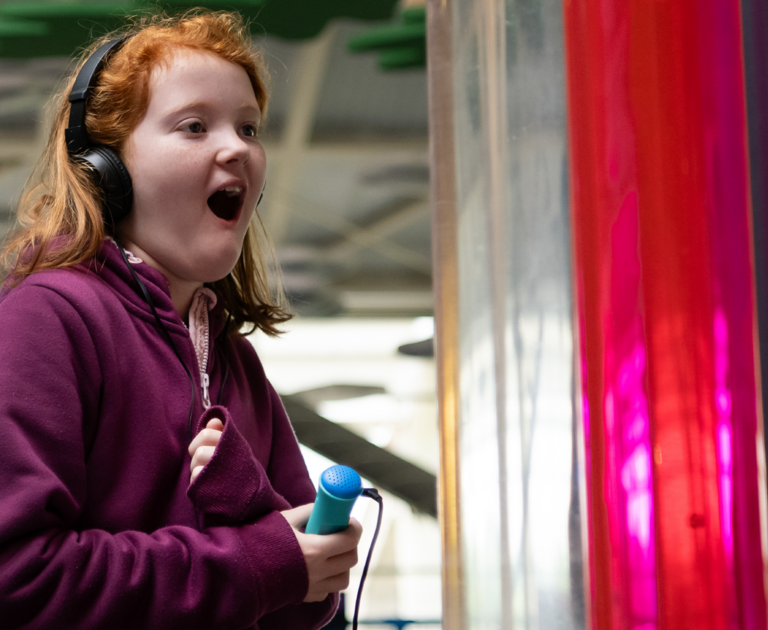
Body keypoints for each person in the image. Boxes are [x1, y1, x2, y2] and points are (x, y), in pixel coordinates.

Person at [0, 10, 361, 629]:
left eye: (249, 128)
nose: (237, 148)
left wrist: (260, 518)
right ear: (106, 169)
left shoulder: (234, 360)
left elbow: (307, 600)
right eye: (194, 126)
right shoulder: (48, 319)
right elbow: (19, 579)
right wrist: (256, 556)